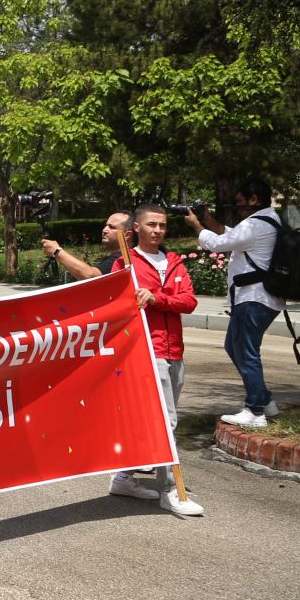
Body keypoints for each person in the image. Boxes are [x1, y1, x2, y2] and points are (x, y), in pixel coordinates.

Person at [111, 204, 204, 516]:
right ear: (136, 228)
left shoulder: (174, 262)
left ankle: (123, 478)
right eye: (152, 225)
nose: (158, 230)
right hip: (147, 352)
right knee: (168, 422)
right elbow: (116, 307)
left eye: (163, 225)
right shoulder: (125, 263)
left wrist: (157, 299)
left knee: (159, 421)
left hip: (174, 351)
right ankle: (170, 490)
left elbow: (189, 301)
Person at [186, 178, 284, 427]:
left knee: (247, 352)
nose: (238, 207)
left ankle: (255, 411)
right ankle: (264, 400)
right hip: (256, 298)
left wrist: (197, 226)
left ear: (254, 200)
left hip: (253, 298)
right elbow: (230, 235)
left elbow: (219, 244)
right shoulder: (267, 220)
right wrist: (208, 219)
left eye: (241, 202)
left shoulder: (256, 224)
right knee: (234, 346)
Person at [40, 211, 132, 279]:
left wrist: (57, 251)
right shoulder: (119, 256)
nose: (105, 230)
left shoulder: (123, 258)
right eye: (106, 225)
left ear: (127, 235)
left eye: (112, 227)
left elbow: (91, 275)